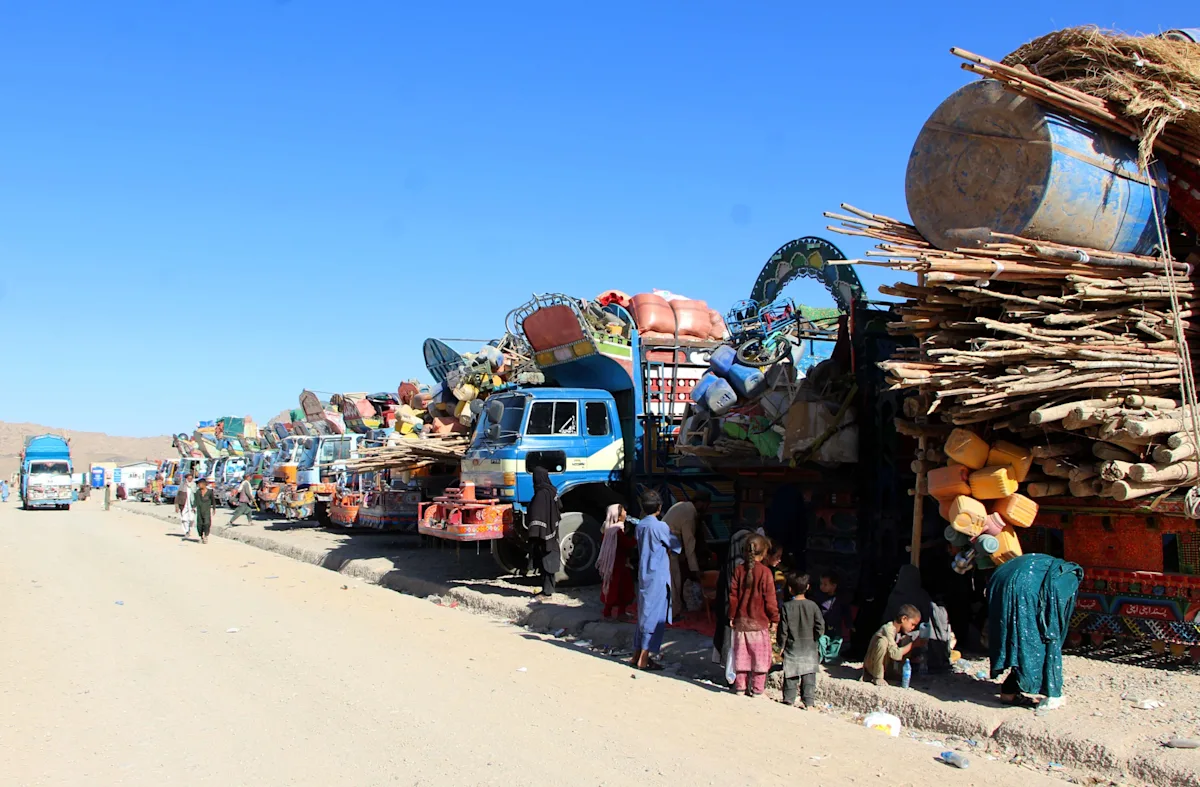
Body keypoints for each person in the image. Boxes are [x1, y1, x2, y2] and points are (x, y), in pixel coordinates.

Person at [989, 553, 1083, 711]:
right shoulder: (1068, 577)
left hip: (1002, 579)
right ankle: (1039, 691)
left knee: (1016, 638)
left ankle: (1010, 690)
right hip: (1025, 587)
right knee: (1035, 641)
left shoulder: (1053, 570)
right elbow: (1052, 622)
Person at [631, 490, 679, 671]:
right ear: (659, 508)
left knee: (644, 613)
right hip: (658, 575)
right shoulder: (661, 527)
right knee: (654, 615)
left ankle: (637, 654)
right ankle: (644, 657)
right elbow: (675, 546)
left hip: (644, 574)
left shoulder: (641, 525)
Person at [728, 534, 780, 696]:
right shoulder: (765, 573)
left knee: (742, 657)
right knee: (759, 659)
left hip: (741, 622)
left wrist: (731, 616)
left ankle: (741, 688)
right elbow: (770, 599)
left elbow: (733, 596)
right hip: (759, 624)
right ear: (764, 553)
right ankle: (757, 691)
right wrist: (775, 618)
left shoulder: (738, 570)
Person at [778, 572, 825, 708]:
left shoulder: (787, 607)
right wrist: (815, 638)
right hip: (809, 647)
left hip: (792, 647)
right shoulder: (813, 606)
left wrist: (781, 646)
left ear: (790, 589)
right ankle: (808, 702)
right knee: (809, 675)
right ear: (808, 587)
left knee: (791, 675)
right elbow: (820, 626)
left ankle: (788, 699)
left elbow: (783, 630)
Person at [663, 490, 710, 619]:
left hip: (666, 544)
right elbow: (690, 545)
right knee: (674, 579)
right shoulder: (689, 514)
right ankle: (673, 613)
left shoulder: (682, 505)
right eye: (706, 505)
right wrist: (695, 569)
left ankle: (670, 610)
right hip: (668, 546)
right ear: (700, 503)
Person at [863, 603, 924, 686]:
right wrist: (913, 645)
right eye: (912, 624)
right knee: (882, 642)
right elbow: (894, 654)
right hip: (872, 665)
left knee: (906, 640)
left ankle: (894, 673)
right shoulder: (888, 629)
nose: (912, 628)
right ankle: (877, 676)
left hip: (887, 665)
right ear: (904, 619)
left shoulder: (898, 632)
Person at [526, 467, 561, 597]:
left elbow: (536, 514)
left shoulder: (541, 494)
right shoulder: (553, 492)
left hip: (543, 535)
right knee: (549, 563)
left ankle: (547, 593)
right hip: (552, 533)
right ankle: (547, 590)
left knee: (546, 563)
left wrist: (534, 534)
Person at [597, 503, 635, 618]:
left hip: (609, 565)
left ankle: (607, 612)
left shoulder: (607, 530)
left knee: (609, 587)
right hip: (619, 565)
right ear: (618, 516)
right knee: (623, 588)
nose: (626, 513)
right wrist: (635, 539)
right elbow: (627, 544)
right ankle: (621, 613)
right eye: (623, 511)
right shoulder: (617, 531)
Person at [811, 571, 849, 662]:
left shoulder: (840, 599)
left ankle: (831, 659)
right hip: (823, 626)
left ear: (834, 586)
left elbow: (846, 612)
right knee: (821, 641)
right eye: (821, 584)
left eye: (825, 584)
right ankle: (820, 658)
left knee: (835, 642)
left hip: (836, 627)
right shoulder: (818, 597)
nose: (822, 586)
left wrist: (849, 624)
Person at [194, 478, 216, 544]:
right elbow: (195, 500)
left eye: (200, 484)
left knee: (207, 523)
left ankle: (206, 535)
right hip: (199, 510)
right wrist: (193, 507)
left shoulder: (209, 492)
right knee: (199, 524)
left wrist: (214, 509)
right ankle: (201, 536)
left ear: (204, 484)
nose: (199, 485)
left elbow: (213, 500)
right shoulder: (198, 492)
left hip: (206, 510)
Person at [175, 473, 196, 540]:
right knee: (184, 518)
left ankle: (189, 528)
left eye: (191, 478)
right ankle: (187, 531)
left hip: (192, 504)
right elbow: (178, 495)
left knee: (191, 519)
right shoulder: (182, 485)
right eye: (188, 478)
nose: (190, 480)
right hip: (183, 504)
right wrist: (176, 505)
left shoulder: (194, 485)